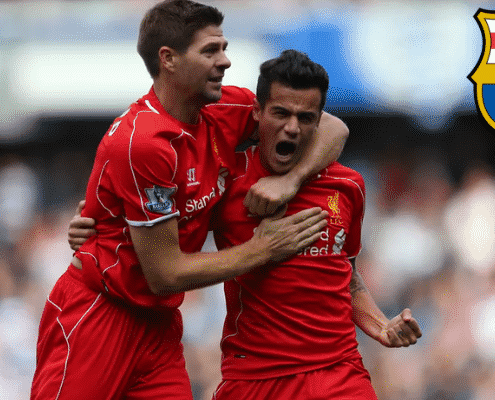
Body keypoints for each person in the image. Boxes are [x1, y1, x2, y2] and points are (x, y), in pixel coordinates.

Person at [31, 1, 350, 399]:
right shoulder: (145, 141)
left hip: (159, 324)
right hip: (100, 314)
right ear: (169, 59)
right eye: (210, 51)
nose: (225, 61)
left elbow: (333, 127)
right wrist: (264, 248)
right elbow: (164, 273)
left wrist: (292, 180)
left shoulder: (225, 109)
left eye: (224, 48)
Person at [68, 50, 423, 400]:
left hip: (338, 374)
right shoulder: (227, 182)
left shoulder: (349, 186)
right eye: (280, 113)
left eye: (305, 118)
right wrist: (95, 225)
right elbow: (159, 231)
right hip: (253, 379)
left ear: (319, 122)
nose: (292, 128)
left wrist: (381, 324)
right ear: (257, 113)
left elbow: (348, 276)